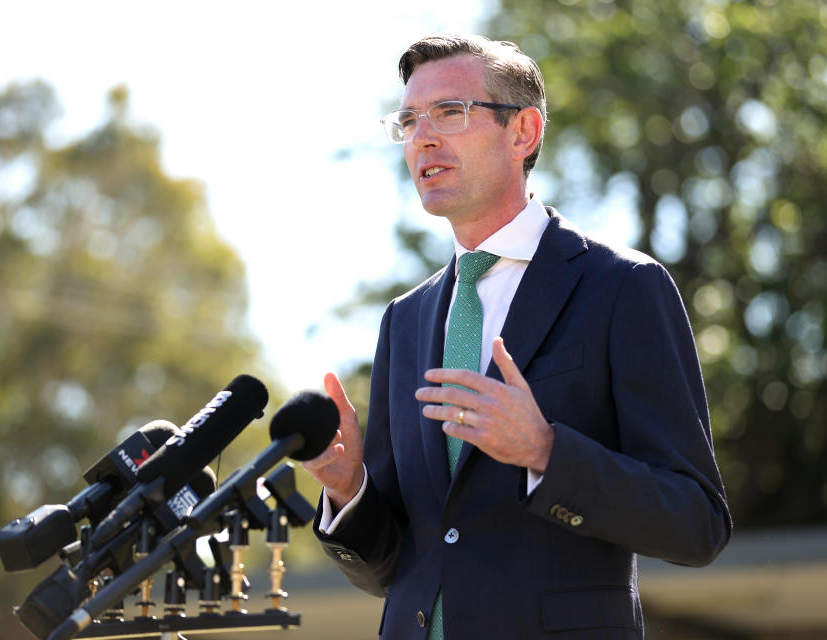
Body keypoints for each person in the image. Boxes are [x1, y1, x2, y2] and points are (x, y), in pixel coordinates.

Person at [302, 34, 731, 639]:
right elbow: (397, 565)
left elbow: (696, 523)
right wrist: (350, 491)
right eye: (407, 120)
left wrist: (546, 452)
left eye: (450, 112)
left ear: (523, 132)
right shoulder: (405, 319)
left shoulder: (623, 287)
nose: (422, 137)